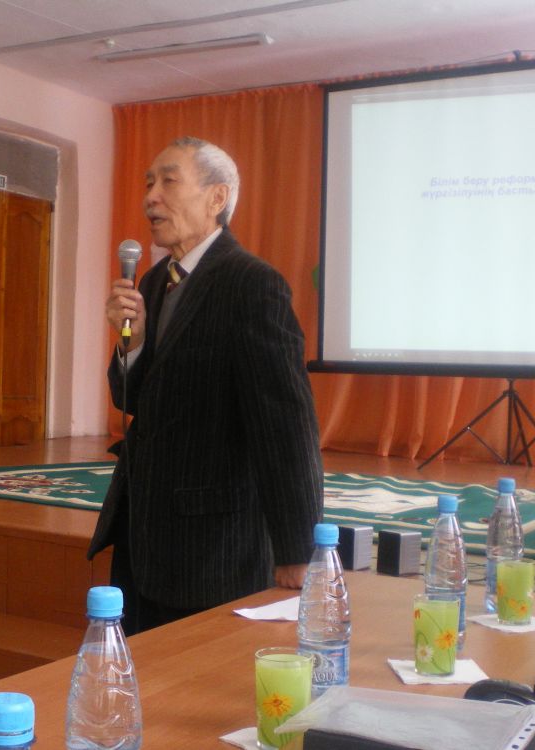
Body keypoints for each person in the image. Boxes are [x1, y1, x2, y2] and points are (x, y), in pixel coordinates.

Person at [87, 136, 323, 635]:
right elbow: (130, 399)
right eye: (148, 183)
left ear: (217, 198)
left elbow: (285, 422)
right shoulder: (151, 284)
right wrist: (132, 343)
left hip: (214, 544)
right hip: (143, 534)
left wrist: (297, 549)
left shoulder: (252, 284)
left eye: (169, 181)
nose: (151, 197)